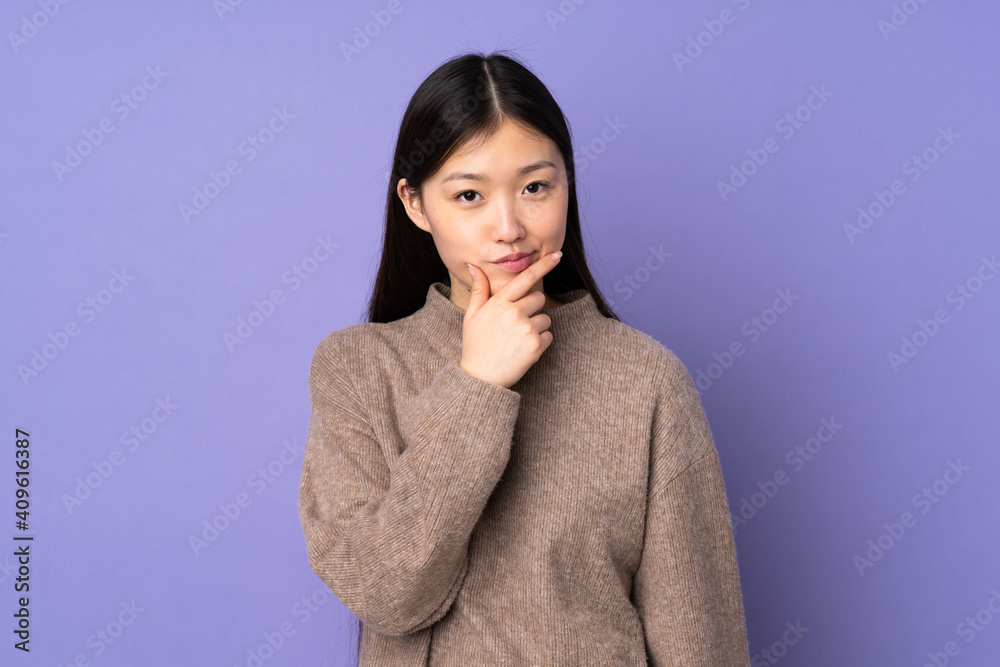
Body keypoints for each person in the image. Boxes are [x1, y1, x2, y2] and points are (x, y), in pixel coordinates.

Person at [298, 50, 751, 666]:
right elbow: (387, 593)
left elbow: (699, 639)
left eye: (536, 187)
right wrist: (477, 385)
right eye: (469, 196)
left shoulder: (646, 379)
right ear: (415, 204)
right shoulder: (358, 368)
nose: (508, 226)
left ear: (568, 184)